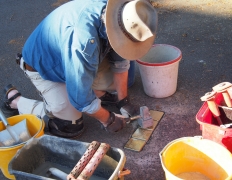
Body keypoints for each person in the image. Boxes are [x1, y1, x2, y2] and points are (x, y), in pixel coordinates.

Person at [2, 0, 158, 138]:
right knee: (70, 126)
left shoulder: (119, 13)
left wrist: (123, 101)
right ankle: (16, 101)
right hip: (45, 67)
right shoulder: (83, 43)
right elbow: (80, 100)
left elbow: (120, 59)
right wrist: (109, 119)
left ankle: (95, 91)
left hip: (72, 58)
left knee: (124, 81)